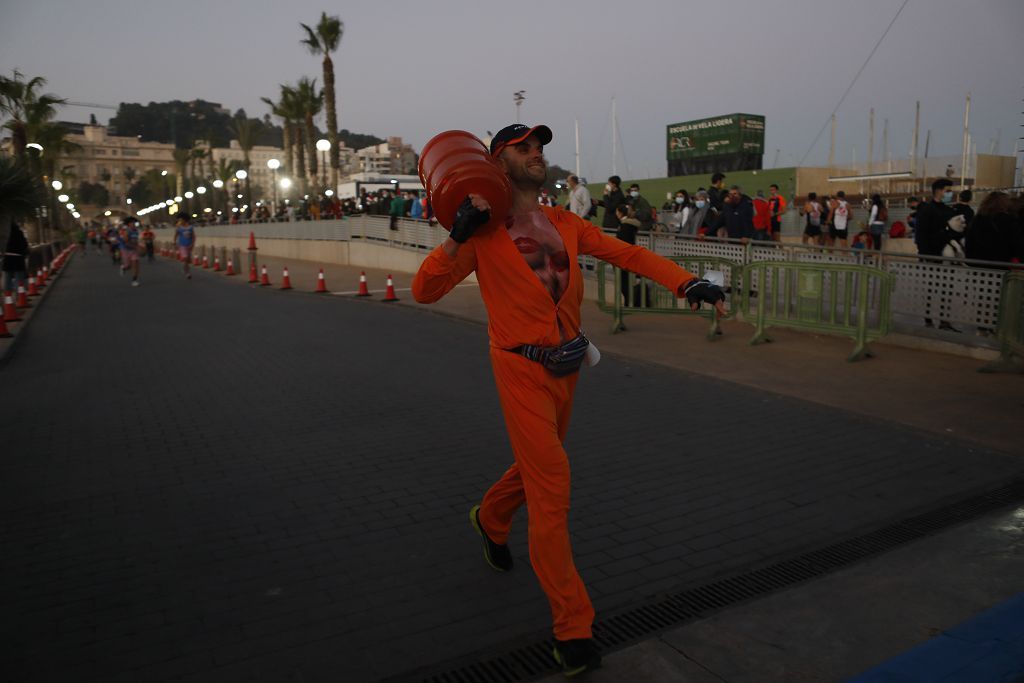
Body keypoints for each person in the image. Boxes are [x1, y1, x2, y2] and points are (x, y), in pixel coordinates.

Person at [411, 123, 726, 677]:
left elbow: (628, 255)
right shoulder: (483, 233)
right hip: (519, 368)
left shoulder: (565, 222)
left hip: (567, 367)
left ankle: (490, 516)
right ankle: (572, 628)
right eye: (523, 148)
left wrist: (686, 283)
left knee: (539, 467)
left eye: (539, 148)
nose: (536, 155)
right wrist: (457, 236)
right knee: (553, 488)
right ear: (495, 161)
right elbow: (425, 290)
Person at [915, 178, 958, 330]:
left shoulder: (949, 210)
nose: (950, 193)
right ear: (938, 191)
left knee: (946, 289)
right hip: (933, 256)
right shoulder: (927, 210)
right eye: (947, 190)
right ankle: (928, 319)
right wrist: (925, 254)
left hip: (946, 258)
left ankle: (944, 320)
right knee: (932, 289)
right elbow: (920, 235)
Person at [965, 191, 1015, 263]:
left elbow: (969, 242)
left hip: (976, 263)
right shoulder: (1006, 220)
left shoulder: (977, 219)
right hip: (1000, 264)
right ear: (1004, 204)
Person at [3, 220, 30, 296]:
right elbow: (24, 245)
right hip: (18, 259)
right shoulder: (19, 233)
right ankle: (19, 297)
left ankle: (7, 297)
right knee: (19, 279)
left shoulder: (6, 234)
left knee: (7, 279)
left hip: (7, 258)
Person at [117, 218, 142, 286]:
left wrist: (139, 247)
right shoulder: (127, 231)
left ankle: (134, 280)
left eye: (134, 223)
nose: (134, 224)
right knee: (128, 266)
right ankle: (123, 267)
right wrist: (135, 246)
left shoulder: (136, 231)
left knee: (135, 264)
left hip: (133, 250)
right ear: (129, 224)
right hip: (125, 249)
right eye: (132, 223)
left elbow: (136, 241)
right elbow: (126, 241)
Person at [174, 215, 196, 280]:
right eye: (180, 220)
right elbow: (176, 235)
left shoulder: (190, 228)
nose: (180, 221)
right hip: (182, 245)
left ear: (185, 220)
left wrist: (192, 244)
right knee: (185, 258)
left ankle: (185, 269)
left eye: (181, 220)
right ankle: (187, 273)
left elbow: (193, 236)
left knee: (188, 260)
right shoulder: (179, 228)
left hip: (189, 245)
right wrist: (174, 243)